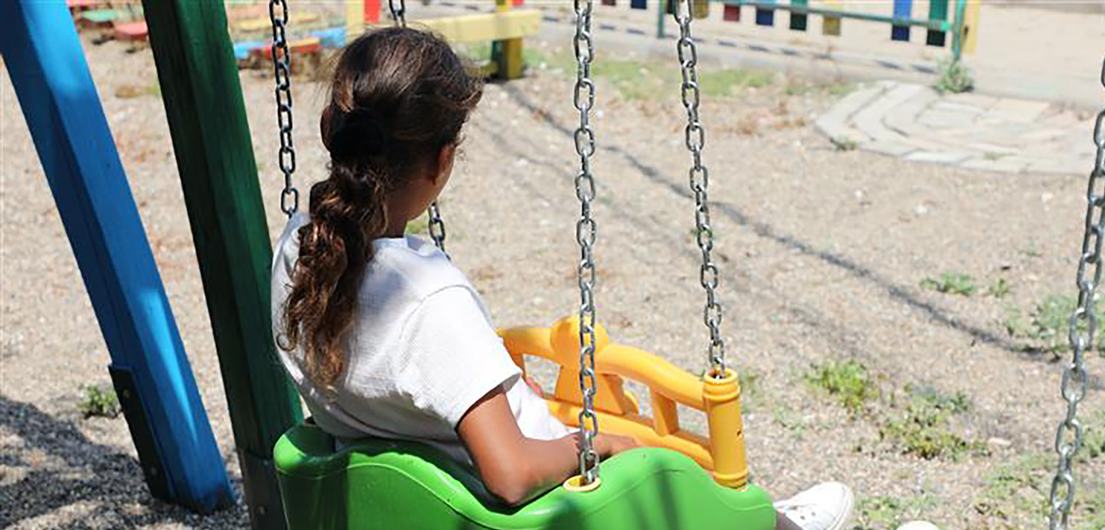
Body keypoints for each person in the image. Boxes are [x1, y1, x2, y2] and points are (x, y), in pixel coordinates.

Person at [271, 26, 859, 530]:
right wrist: (596, 444)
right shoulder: (428, 300)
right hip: (542, 507)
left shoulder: (302, 249)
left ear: (332, 129)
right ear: (442, 159)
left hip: (422, 493)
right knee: (668, 474)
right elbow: (510, 475)